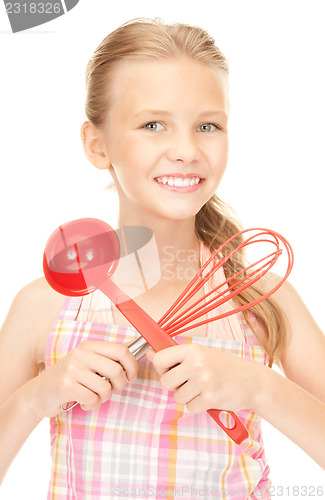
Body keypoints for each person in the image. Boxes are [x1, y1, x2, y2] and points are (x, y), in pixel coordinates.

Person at [0, 18, 324, 499]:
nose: (187, 150)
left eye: (207, 126)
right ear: (97, 144)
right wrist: (35, 398)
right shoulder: (47, 306)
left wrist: (261, 389)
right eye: (153, 125)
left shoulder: (259, 298)